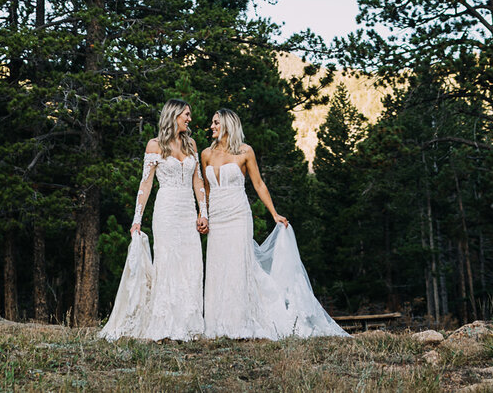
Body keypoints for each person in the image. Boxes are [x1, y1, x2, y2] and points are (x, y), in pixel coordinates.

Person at [201, 107, 346, 339]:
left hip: (238, 216)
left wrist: (274, 214)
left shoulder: (245, 151)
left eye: (216, 122)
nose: (212, 126)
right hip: (217, 218)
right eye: (212, 122)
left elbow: (259, 184)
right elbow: (206, 191)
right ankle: (217, 325)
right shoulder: (206, 154)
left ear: (227, 124)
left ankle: (240, 323)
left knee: (239, 266)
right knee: (218, 268)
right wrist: (204, 215)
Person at [99, 97, 209, 339]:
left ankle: (189, 323)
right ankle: (166, 323)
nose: (190, 119)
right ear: (174, 115)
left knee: (191, 263)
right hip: (167, 210)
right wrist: (136, 219)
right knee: (168, 262)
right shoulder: (154, 145)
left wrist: (204, 212)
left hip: (188, 210)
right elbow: (146, 183)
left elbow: (198, 180)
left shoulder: (191, 144)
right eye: (186, 115)